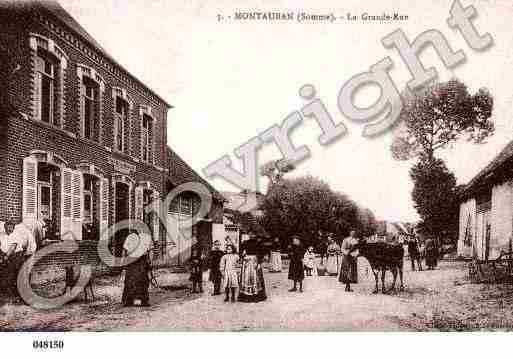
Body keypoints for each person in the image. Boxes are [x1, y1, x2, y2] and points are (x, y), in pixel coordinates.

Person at [122, 231, 151, 307]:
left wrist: (149, 261)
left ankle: (143, 300)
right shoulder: (130, 237)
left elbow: (148, 252)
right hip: (132, 261)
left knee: (143, 280)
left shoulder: (146, 238)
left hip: (141, 261)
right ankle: (128, 300)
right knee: (130, 280)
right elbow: (125, 250)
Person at [238, 236, 267, 302]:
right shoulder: (245, 243)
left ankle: (255, 295)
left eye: (253, 234)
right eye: (250, 234)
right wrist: (243, 256)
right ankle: (246, 295)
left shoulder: (258, 243)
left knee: (255, 278)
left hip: (255, 261)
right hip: (247, 262)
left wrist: (259, 262)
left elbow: (261, 253)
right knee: (246, 278)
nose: (251, 235)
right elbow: (241, 252)